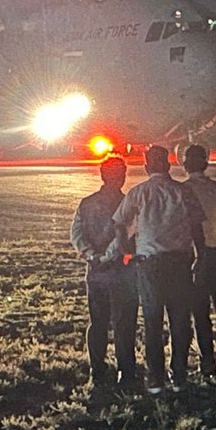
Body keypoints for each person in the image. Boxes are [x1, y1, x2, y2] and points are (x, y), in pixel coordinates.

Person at [112, 145, 206, 394]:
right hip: (179, 262)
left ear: (146, 167)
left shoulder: (139, 192)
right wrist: (201, 254)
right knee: (180, 320)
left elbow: (119, 223)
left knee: (152, 320)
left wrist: (126, 253)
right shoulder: (182, 191)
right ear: (168, 164)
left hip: (149, 262)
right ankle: (180, 374)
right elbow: (197, 225)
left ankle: (155, 378)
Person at [69, 155, 138, 386]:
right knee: (124, 323)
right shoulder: (129, 203)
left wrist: (90, 255)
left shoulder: (86, 203)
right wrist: (110, 256)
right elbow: (126, 236)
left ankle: (97, 368)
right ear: (123, 176)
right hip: (121, 271)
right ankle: (126, 370)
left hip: (95, 270)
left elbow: (76, 234)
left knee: (97, 322)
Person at [180, 144, 216, 383]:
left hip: (193, 257)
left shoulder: (179, 192)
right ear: (207, 163)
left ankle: (207, 363)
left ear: (184, 164)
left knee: (200, 314)